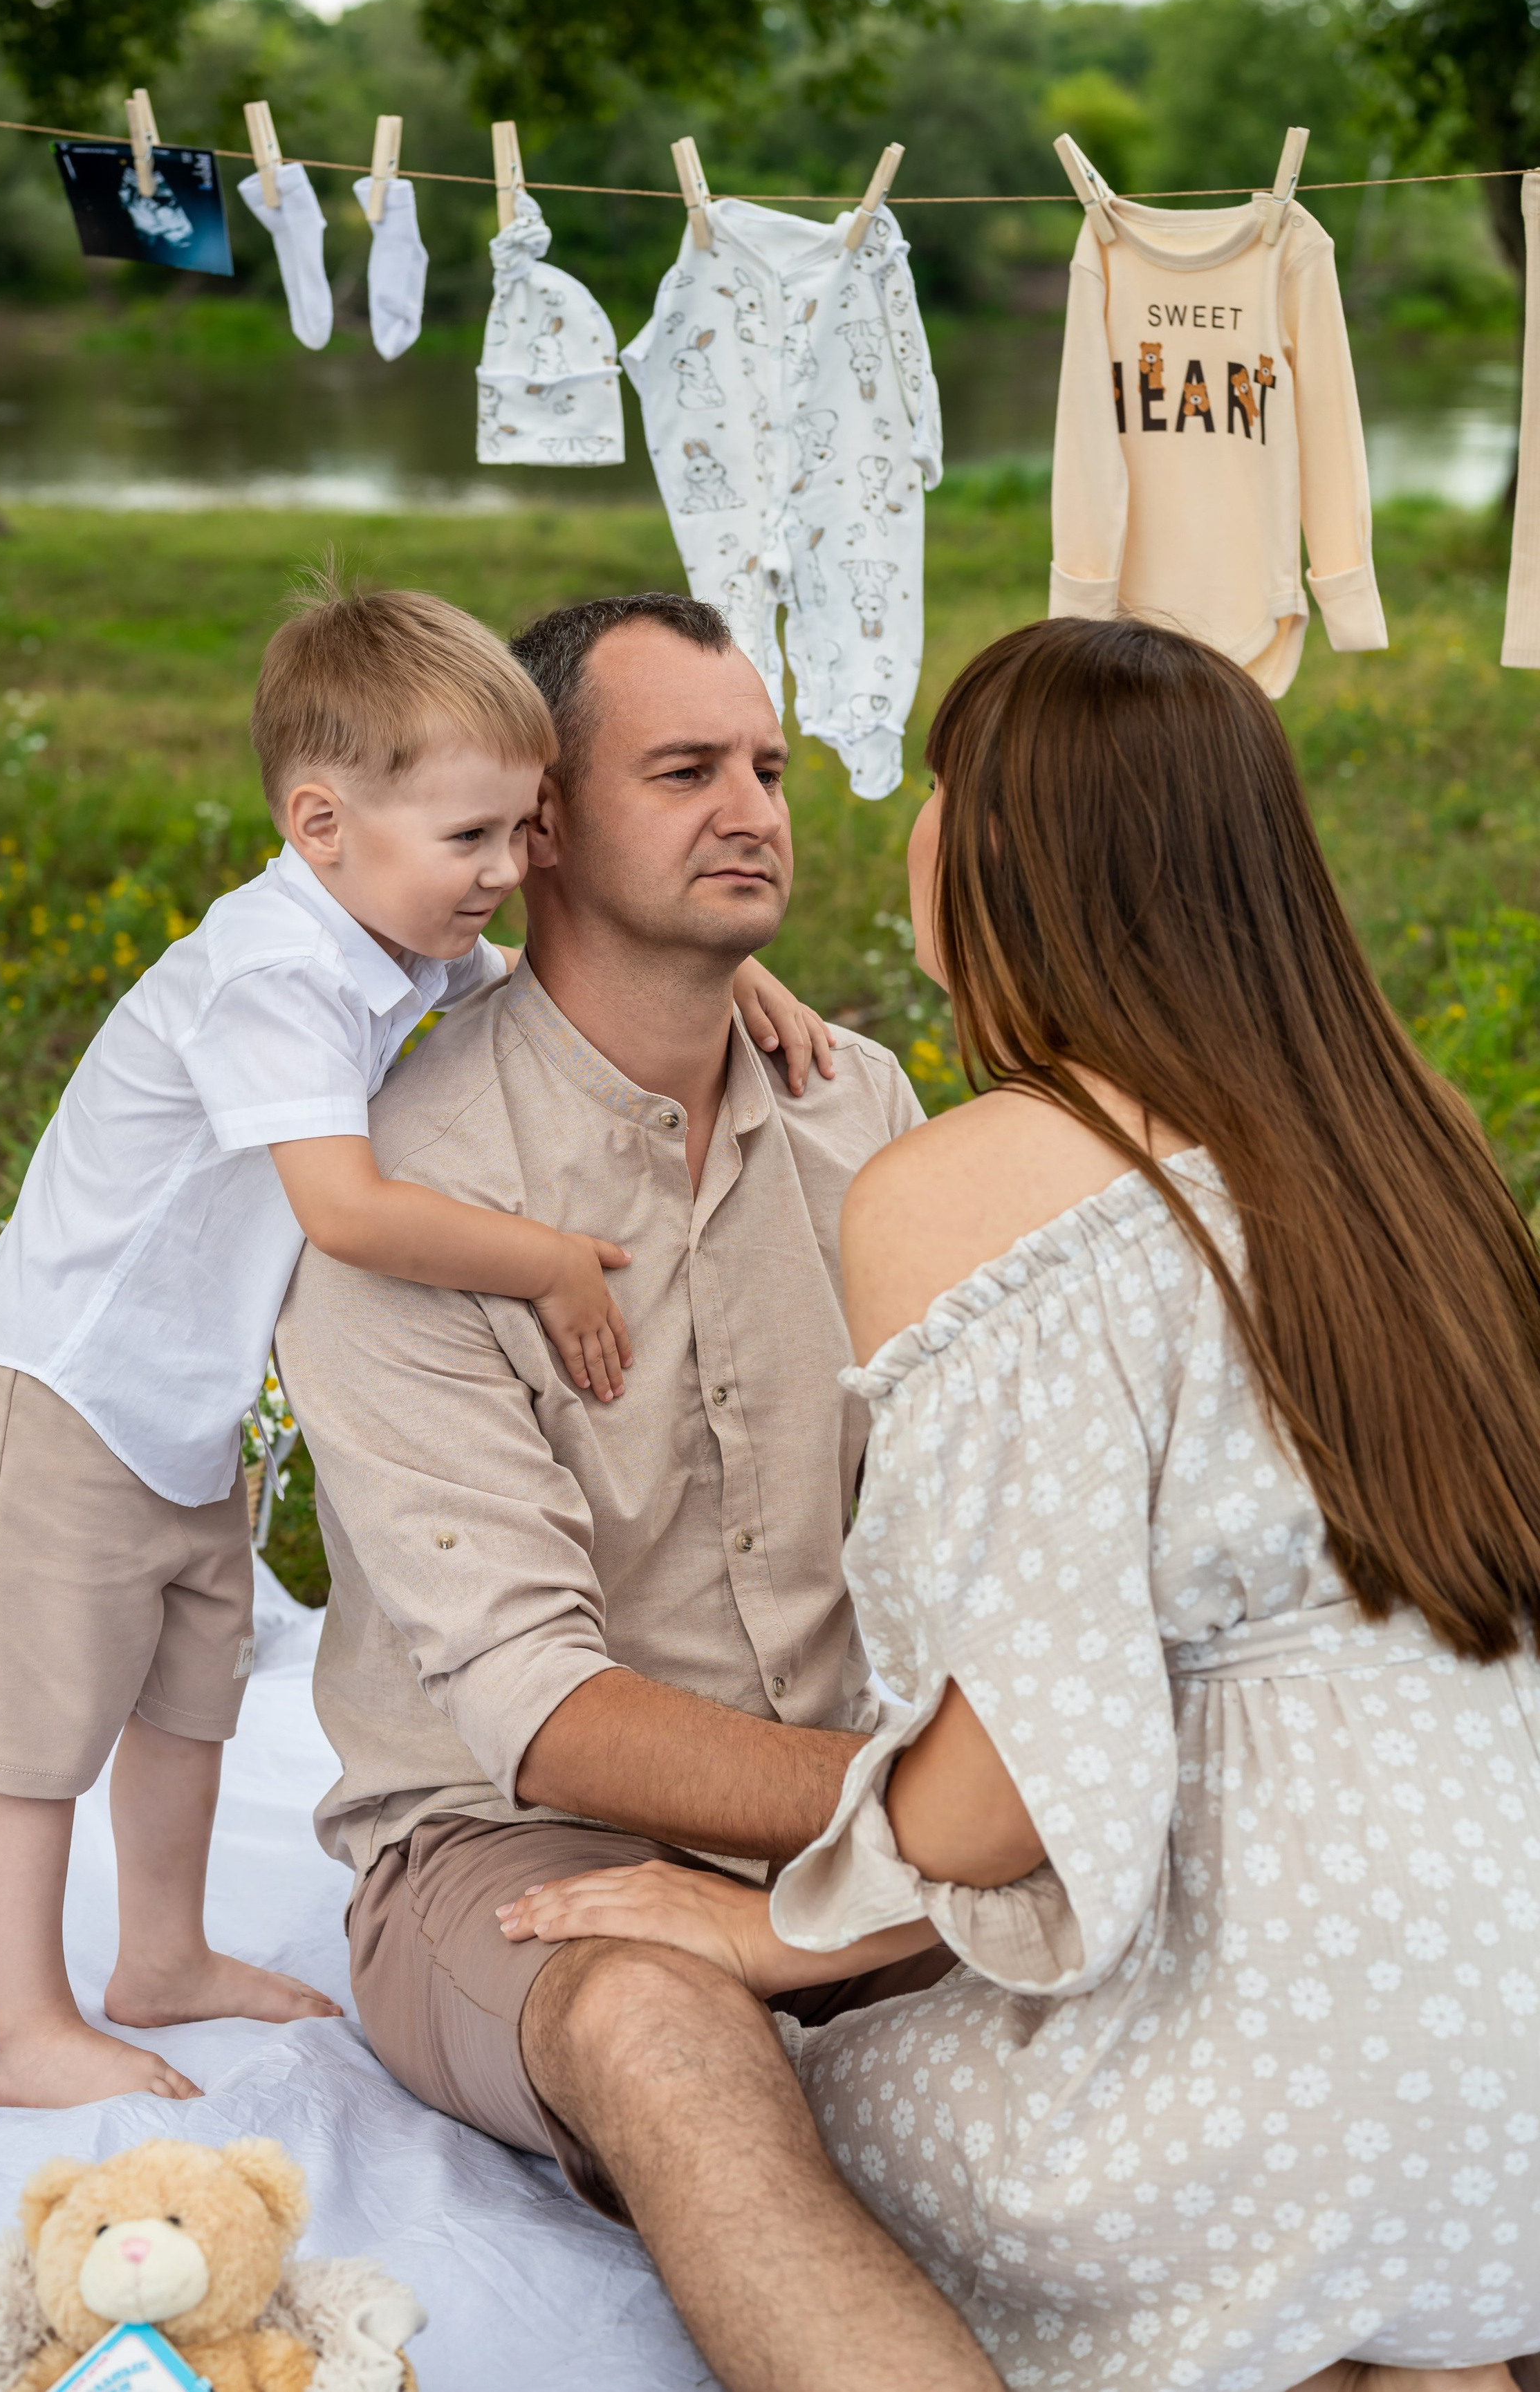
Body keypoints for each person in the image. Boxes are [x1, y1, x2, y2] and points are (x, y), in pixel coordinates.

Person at [502, 615, 1540, 2392]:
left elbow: (1005, 1785)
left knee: (775, 2125)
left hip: (1268, 2047)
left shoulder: (969, 1184)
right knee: (1364, 2253)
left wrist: (758, 1926)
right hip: (1502, 2041)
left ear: (1005, 855)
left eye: (934, 785)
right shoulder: (1411, 1141)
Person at [0, 575, 822, 2111]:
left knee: (188, 1688)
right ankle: (26, 2025)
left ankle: (161, 1956)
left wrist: (728, 958)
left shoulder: (399, 924)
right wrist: (546, 1260)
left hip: (181, 1402)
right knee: (39, 1726)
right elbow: (346, 1211)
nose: (500, 873)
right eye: (470, 841)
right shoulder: (275, 973)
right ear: (319, 822)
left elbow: (568, 974)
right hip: (68, 1383)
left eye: (515, 832)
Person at [273, 590, 1009, 2392]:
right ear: (537, 827)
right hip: (525, 1844)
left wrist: (957, 1832)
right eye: (683, 770)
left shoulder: (866, 1108)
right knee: (662, 2033)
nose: (754, 806)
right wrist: (950, 1826)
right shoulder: (400, 1193)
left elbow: (970, 1517)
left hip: (876, 1792)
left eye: (762, 764)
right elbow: (542, 1715)